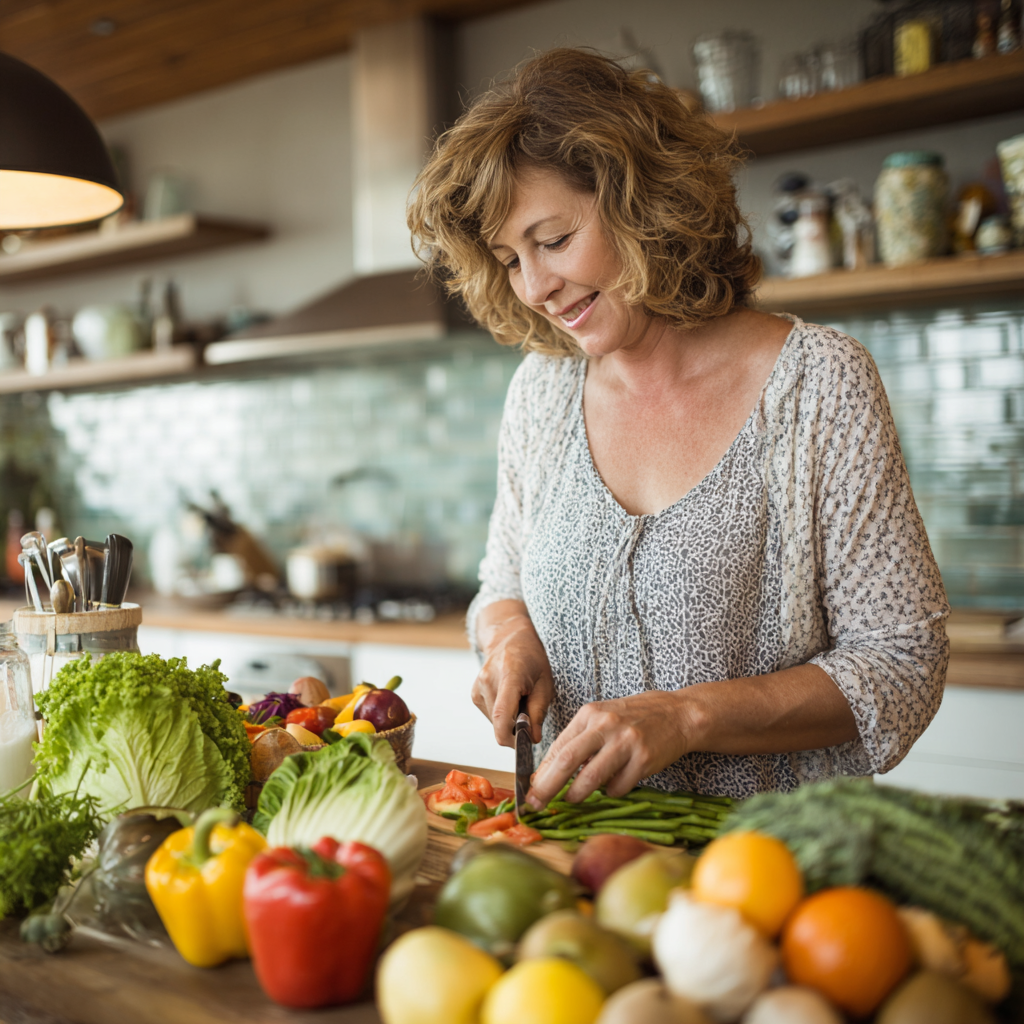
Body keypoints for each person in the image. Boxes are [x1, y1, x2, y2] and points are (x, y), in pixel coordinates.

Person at [407, 49, 948, 805]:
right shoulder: (543, 393)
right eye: (508, 259)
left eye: (554, 240)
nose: (534, 288)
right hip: (575, 866)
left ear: (643, 204)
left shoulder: (818, 382)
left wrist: (686, 716)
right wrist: (509, 640)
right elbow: (501, 586)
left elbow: (903, 660)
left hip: (764, 873)